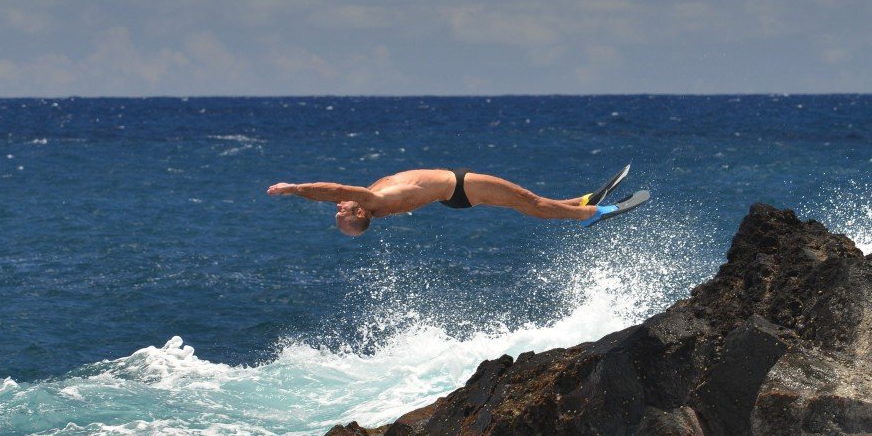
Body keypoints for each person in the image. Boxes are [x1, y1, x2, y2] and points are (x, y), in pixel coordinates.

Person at [266, 167, 628, 237]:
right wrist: (294, 188)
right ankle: (596, 213)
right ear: (359, 211)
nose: (337, 207)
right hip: (459, 187)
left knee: (526, 202)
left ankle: (582, 201)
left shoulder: (373, 203)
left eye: (339, 212)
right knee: (528, 202)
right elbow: (331, 188)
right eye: (342, 212)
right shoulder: (372, 198)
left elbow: (334, 194)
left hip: (452, 194)